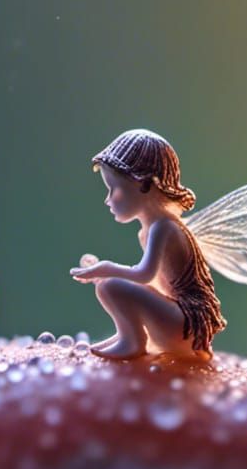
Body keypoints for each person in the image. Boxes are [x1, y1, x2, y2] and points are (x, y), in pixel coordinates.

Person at [71, 129, 226, 360]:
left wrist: (105, 268)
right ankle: (127, 334)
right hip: (179, 323)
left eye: (115, 189)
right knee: (108, 284)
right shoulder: (150, 230)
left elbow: (144, 275)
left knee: (109, 286)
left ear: (144, 185)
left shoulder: (163, 228)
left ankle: (132, 342)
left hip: (184, 325)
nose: (108, 199)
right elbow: (154, 283)